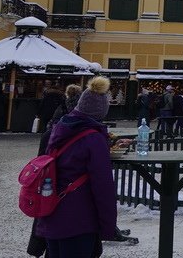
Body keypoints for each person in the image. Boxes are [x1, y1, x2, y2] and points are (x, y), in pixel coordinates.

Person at [34, 76, 117, 258]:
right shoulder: (93, 139)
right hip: (79, 220)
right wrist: (108, 226)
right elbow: (103, 186)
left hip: (53, 213)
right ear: (101, 112)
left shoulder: (60, 130)